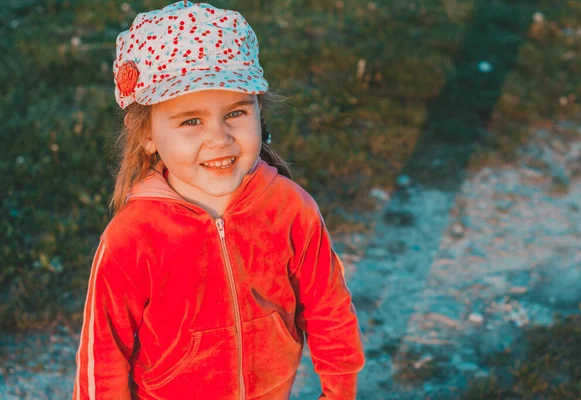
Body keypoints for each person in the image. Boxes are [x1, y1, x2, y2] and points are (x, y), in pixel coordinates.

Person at [72, 2, 365, 399]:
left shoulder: (290, 208)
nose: (219, 138)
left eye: (235, 113)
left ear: (259, 112)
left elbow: (329, 309)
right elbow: (102, 353)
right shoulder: (132, 237)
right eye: (191, 120)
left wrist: (340, 390)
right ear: (146, 134)